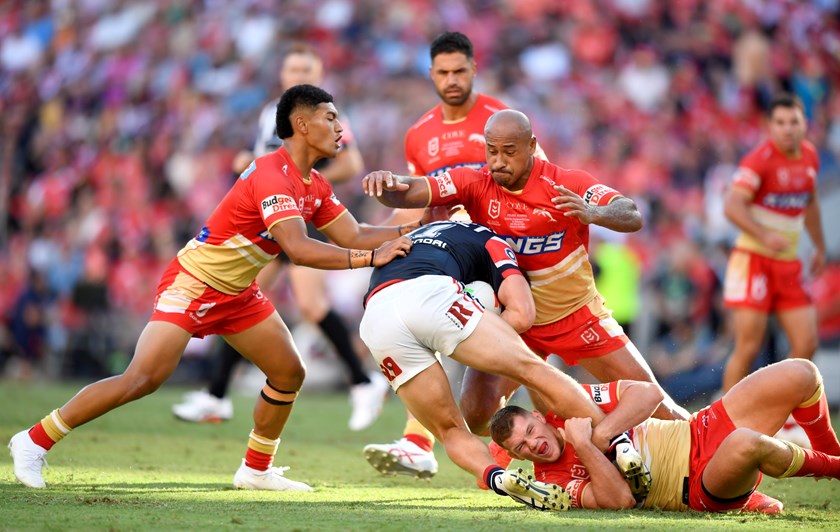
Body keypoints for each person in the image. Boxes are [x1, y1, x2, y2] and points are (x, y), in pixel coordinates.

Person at [8, 84, 415, 491]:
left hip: (237, 293)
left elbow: (355, 232)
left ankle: (255, 470)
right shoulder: (272, 174)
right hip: (195, 283)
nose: (341, 128)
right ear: (302, 124)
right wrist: (370, 258)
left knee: (288, 372)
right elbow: (298, 248)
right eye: (331, 118)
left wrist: (417, 228)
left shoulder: (313, 184)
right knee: (141, 379)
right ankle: (33, 441)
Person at [363, 108, 689, 477]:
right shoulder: (474, 183)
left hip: (577, 315)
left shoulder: (565, 183)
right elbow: (414, 190)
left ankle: (705, 449)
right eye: (491, 151)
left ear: (532, 146)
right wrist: (387, 184)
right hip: (515, 325)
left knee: (658, 404)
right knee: (476, 414)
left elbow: (630, 213)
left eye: (509, 151)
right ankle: (562, 449)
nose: (498, 161)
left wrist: (592, 213)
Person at [362, 31, 551, 477]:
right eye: (443, 72)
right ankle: (428, 441)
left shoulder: (501, 121)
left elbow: (535, 179)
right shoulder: (419, 134)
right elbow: (420, 199)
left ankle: (555, 426)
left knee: (509, 353)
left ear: (474, 70)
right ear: (431, 74)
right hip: (448, 251)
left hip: (498, 249)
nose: (451, 80)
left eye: (459, 71)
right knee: (444, 341)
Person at [172, 43, 389, 432]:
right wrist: (253, 166)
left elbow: (351, 164)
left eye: (306, 67)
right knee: (243, 295)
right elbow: (265, 162)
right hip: (270, 219)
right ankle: (218, 393)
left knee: (304, 304)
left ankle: (361, 380)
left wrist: (304, 184)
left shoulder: (328, 116)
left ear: (318, 74)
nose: (297, 74)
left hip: (302, 217)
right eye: (292, 68)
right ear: (282, 74)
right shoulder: (269, 115)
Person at [359, 220, 650, 510]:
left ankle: (497, 479)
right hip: (430, 295)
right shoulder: (493, 240)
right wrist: (477, 334)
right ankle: (619, 446)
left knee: (449, 430)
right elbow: (522, 315)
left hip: (375, 318)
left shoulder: (424, 233)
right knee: (534, 370)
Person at [489, 358, 840, 512]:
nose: (534, 443)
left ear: (538, 416)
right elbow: (620, 501)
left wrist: (604, 432)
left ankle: (832, 453)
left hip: (699, 427)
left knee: (801, 373)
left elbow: (649, 393)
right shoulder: (552, 481)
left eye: (531, 431)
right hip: (700, 485)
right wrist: (584, 443)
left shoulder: (571, 407)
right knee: (745, 442)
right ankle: (834, 468)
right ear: (518, 457)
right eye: (522, 447)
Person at [721, 93, 826, 394]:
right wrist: (764, 234)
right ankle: (721, 423)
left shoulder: (810, 157)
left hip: (788, 262)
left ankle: (783, 412)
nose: (788, 129)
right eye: (780, 123)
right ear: (770, 126)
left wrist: (819, 245)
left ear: (805, 123)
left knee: (807, 343)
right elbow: (731, 205)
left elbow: (811, 203)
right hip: (753, 259)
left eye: (794, 121)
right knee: (749, 346)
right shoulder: (759, 160)